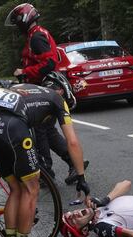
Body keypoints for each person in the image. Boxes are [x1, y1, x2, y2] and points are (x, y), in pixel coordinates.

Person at [0, 71, 89, 237]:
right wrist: (81, 175)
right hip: (14, 129)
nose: (49, 121)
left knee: (16, 189)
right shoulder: (58, 99)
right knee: (31, 188)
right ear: (62, 91)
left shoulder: (20, 88)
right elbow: (72, 142)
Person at [5, 3, 82, 184]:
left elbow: (49, 64)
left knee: (39, 130)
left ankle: (45, 172)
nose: (17, 27)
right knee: (47, 130)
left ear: (25, 19)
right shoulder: (36, 34)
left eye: (18, 23)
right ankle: (71, 163)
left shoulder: (37, 37)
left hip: (44, 91)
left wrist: (24, 72)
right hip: (45, 90)